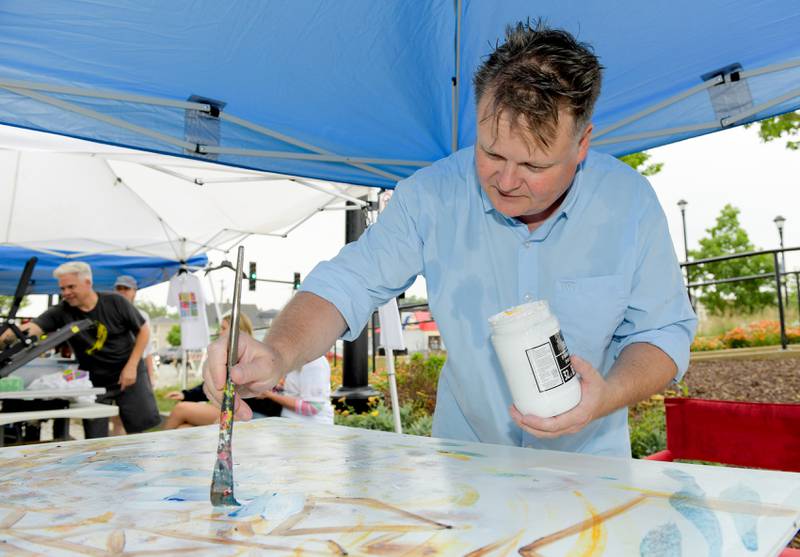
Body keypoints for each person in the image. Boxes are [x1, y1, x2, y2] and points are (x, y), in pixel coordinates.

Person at [203, 20, 697, 457]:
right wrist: (277, 351)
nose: (505, 180)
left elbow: (662, 332)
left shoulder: (629, 203)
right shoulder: (429, 196)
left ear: (583, 143)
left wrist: (606, 395)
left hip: (590, 472)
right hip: (467, 473)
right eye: (490, 152)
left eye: (533, 165)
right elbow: (346, 284)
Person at [0, 262, 160, 438]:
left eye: (71, 287)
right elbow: (33, 328)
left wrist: (132, 365)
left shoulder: (116, 302)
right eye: (62, 288)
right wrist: (6, 336)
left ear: (88, 283)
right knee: (95, 434)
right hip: (95, 379)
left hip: (129, 372)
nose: (66, 293)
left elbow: (143, 330)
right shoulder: (62, 310)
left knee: (139, 431)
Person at [163, 312, 282, 429]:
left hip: (251, 414)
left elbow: (222, 387)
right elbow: (212, 385)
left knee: (181, 409)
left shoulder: (253, 358)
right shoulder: (228, 355)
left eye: (223, 328)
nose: (219, 332)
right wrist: (185, 394)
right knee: (184, 428)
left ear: (238, 330)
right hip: (233, 410)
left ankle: (159, 447)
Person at [113, 275, 155, 385]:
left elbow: (147, 349)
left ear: (134, 292)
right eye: (119, 288)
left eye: (126, 289)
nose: (122, 292)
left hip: (136, 368)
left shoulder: (142, 316)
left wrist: (151, 376)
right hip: (112, 368)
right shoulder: (108, 314)